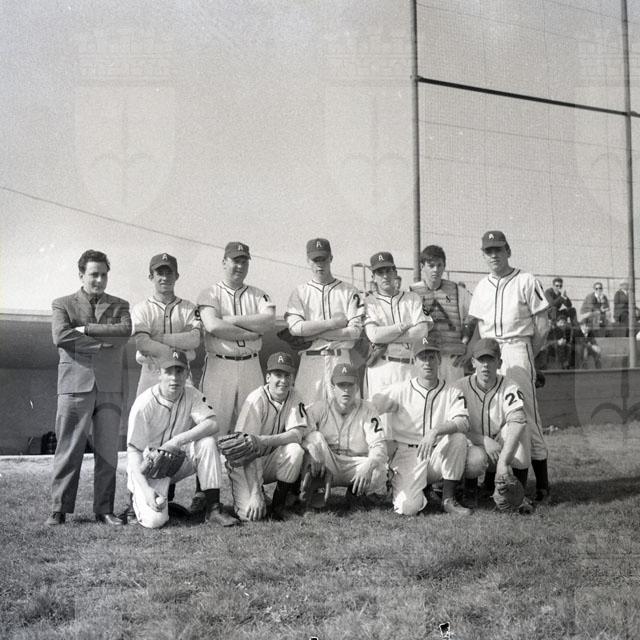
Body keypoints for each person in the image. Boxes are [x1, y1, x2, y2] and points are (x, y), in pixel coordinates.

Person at [46, 250, 131, 526]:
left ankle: (104, 509)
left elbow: (124, 333)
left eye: (104, 275)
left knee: (107, 451)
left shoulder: (120, 305)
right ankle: (59, 509)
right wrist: (101, 342)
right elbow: (61, 335)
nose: (99, 280)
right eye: (94, 274)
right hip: (74, 385)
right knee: (68, 448)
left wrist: (85, 330)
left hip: (109, 387)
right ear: (81, 275)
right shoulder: (62, 304)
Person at [464, 230, 551, 504]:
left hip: (516, 347)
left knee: (526, 416)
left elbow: (543, 326)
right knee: (491, 415)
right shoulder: (482, 286)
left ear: (508, 251)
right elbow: (477, 326)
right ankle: (494, 480)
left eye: (498, 250)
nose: (493, 255)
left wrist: (528, 356)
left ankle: (543, 485)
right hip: (489, 350)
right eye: (488, 251)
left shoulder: (526, 279)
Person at [194, 242, 275, 512]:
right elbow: (212, 325)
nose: (239, 265)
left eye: (244, 261)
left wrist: (230, 320)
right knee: (211, 428)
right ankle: (203, 494)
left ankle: (255, 489)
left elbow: (268, 322)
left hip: (250, 364)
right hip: (220, 365)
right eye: (235, 260)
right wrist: (250, 330)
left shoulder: (259, 293)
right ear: (224, 262)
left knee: (253, 428)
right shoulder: (209, 292)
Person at [126, 350, 238, 528]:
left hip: (176, 460)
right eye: (168, 372)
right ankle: (134, 502)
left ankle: (214, 509)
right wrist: (146, 490)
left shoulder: (192, 394)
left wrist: (176, 441)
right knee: (155, 521)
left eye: (179, 371)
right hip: (149, 467)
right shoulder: (144, 403)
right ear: (159, 374)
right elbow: (133, 452)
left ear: (187, 373)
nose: (174, 378)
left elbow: (212, 423)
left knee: (207, 443)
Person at [371, 337, 472, 517]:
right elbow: (370, 408)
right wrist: (383, 438)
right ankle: (410, 487)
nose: (427, 362)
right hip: (407, 455)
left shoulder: (452, 390)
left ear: (439, 360)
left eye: (431, 357)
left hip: (438, 454)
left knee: (458, 438)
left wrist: (435, 431)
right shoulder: (400, 390)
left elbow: (463, 422)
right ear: (414, 361)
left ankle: (448, 499)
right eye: (422, 357)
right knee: (408, 508)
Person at [227, 352, 309, 521]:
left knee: (295, 450)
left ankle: (278, 505)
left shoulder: (295, 395)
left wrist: (263, 440)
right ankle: (259, 493)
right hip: (245, 463)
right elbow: (245, 449)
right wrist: (255, 493)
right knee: (250, 516)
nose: (283, 380)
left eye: (287, 375)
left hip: (269, 458)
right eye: (278, 375)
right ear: (268, 377)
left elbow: (297, 434)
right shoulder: (256, 399)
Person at [454, 338, 532, 509]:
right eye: (481, 360)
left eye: (490, 360)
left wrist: (503, 461)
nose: (485, 365)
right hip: (473, 445)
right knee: (475, 459)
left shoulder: (510, 385)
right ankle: (470, 490)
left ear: (499, 363)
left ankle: (517, 494)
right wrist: (483, 440)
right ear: (473, 362)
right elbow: (456, 426)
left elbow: (518, 421)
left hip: (500, 447)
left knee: (522, 433)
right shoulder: (460, 387)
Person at [285, 238, 364, 403]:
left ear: (331, 258)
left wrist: (313, 334)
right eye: (315, 260)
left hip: (340, 359)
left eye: (323, 259)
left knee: (346, 412)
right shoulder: (300, 292)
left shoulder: (349, 291)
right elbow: (296, 329)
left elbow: (355, 332)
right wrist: (332, 324)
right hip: (310, 361)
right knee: (306, 411)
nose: (319, 264)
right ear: (308, 261)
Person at [363, 251, 431, 437]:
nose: (385, 276)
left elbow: (422, 331)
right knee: (381, 428)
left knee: (413, 422)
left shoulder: (412, 298)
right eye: (380, 272)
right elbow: (374, 335)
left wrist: (388, 335)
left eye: (388, 270)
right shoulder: (369, 301)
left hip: (409, 366)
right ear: (373, 276)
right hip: (382, 367)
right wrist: (402, 326)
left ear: (395, 272)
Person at [303, 363, 388, 509]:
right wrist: (312, 449)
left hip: (354, 464)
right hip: (328, 463)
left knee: (378, 469)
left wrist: (368, 467)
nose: (346, 390)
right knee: (314, 437)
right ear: (333, 387)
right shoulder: (320, 407)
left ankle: (356, 493)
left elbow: (379, 445)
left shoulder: (368, 409)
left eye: (350, 385)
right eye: (341, 385)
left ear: (357, 387)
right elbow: (300, 432)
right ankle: (314, 488)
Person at [131, 253, 201, 396]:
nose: (165, 277)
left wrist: (157, 338)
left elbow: (194, 340)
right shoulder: (141, 308)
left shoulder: (189, 307)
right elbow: (142, 343)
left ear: (177, 276)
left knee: (185, 410)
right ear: (151, 277)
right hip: (151, 371)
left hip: (181, 371)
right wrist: (178, 343)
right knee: (145, 410)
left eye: (169, 273)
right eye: (160, 273)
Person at [409, 245, 473, 383]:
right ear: (422, 266)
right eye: (431, 265)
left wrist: (469, 347)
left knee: (454, 395)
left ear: (444, 266)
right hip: (424, 359)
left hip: (452, 360)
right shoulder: (411, 293)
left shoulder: (458, 291)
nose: (436, 270)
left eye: (439, 265)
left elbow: (475, 318)